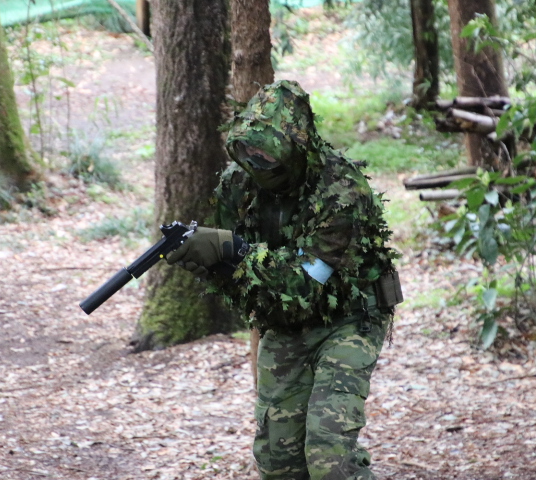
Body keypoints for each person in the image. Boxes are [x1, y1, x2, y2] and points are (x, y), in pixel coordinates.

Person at [167, 80, 402, 480]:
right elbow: (246, 283)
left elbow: (306, 286)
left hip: (349, 319)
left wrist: (231, 251)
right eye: (249, 152)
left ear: (296, 150)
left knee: (329, 454)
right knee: (279, 462)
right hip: (284, 322)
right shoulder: (238, 185)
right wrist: (211, 264)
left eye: (267, 155)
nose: (256, 162)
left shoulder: (341, 189)